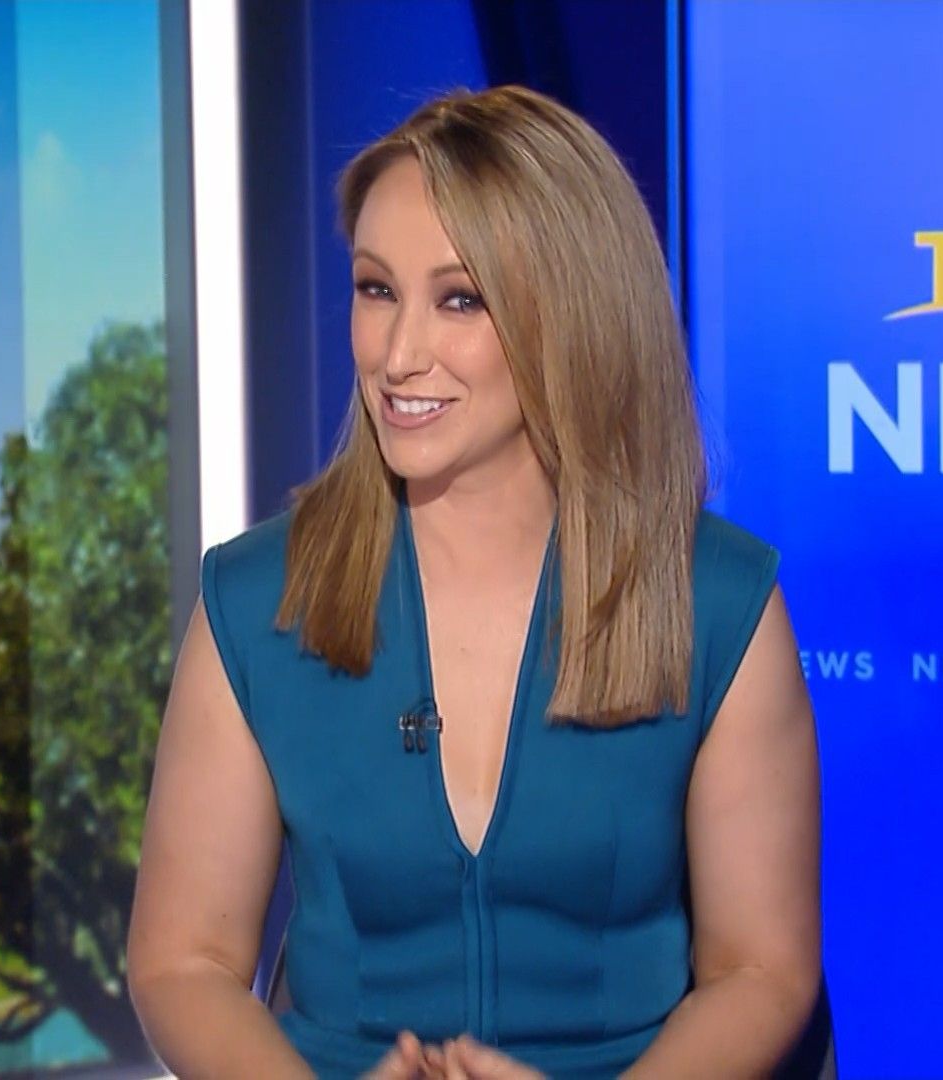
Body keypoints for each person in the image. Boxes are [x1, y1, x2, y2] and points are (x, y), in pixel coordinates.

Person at [126, 84, 820, 1079]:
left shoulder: (718, 603)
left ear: (571, 314)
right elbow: (183, 962)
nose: (398, 354)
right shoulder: (255, 602)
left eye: (459, 299)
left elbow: (761, 970)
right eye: (376, 289)